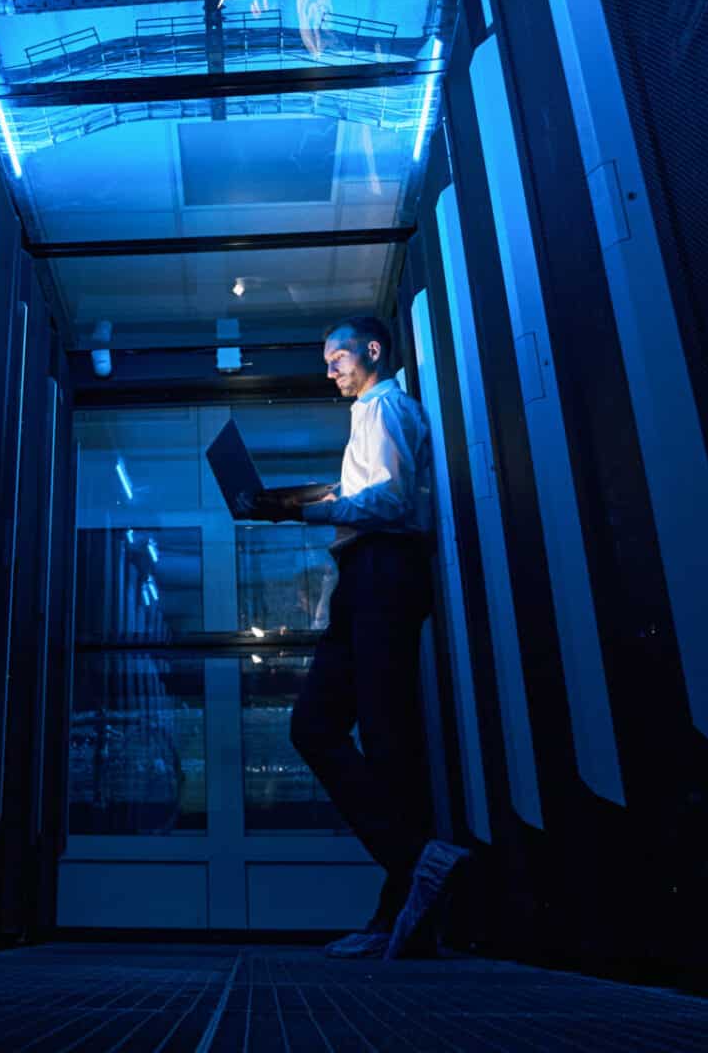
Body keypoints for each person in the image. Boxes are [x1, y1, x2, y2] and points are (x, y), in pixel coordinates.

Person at [233, 315, 470, 961]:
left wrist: (309, 509)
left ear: (371, 350)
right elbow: (363, 492)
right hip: (365, 578)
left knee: (381, 739)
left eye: (336, 357)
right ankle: (412, 877)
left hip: (383, 573)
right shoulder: (369, 415)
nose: (329, 370)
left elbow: (388, 503)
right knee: (320, 727)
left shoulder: (386, 407)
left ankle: (404, 897)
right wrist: (292, 504)